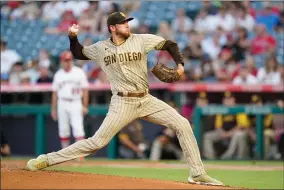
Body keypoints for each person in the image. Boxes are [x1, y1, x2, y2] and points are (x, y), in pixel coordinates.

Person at [26, 12, 223, 186]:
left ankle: (197, 173)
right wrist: (72, 38)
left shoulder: (141, 39)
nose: (127, 25)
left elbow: (170, 44)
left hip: (146, 99)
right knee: (96, 143)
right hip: (122, 102)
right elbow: (79, 53)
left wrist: (180, 65)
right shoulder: (101, 47)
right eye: (123, 23)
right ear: (112, 28)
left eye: (127, 22)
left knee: (182, 124)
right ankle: (48, 159)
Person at [50, 51, 89, 151]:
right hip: (62, 102)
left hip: (76, 102)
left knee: (78, 129)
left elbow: (85, 90)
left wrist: (85, 106)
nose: (67, 62)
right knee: (63, 129)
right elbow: (55, 93)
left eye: (69, 60)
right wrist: (53, 109)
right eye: (65, 60)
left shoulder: (79, 72)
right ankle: (65, 154)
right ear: (62, 61)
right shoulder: (58, 74)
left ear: (72, 60)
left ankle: (79, 154)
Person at [203, 91, 250, 160]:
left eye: (229, 99)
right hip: (224, 133)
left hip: (235, 133)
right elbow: (218, 126)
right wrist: (222, 133)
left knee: (239, 134)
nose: (227, 101)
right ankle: (211, 158)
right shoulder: (221, 110)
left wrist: (229, 134)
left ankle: (229, 157)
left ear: (234, 99)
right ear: (223, 100)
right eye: (226, 99)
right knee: (207, 136)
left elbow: (242, 125)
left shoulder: (239, 108)